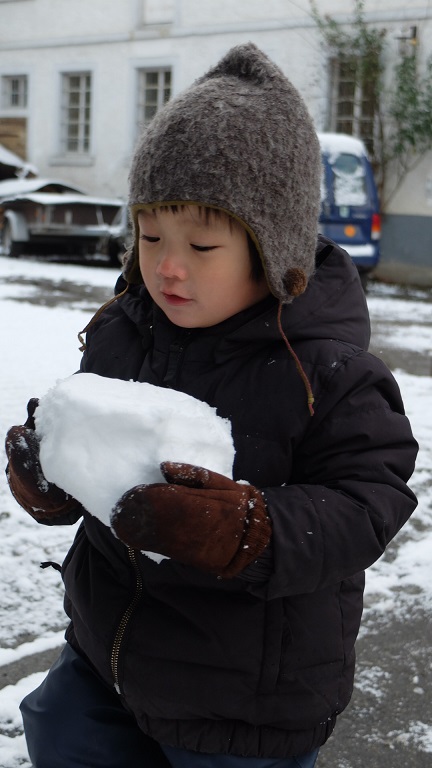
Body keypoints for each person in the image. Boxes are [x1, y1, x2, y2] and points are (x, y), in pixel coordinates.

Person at [5, 43, 418, 768]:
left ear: (271, 248)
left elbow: (369, 501)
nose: (167, 265)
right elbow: (91, 460)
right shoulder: (121, 331)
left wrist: (250, 531)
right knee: (62, 733)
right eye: (151, 234)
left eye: (201, 243)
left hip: (246, 695)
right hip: (109, 654)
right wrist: (52, 473)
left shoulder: (327, 369)